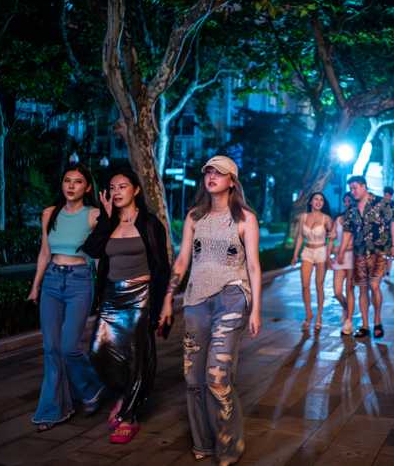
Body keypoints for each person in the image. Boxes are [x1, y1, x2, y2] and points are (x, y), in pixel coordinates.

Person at [168, 155, 262, 465]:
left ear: (232, 181)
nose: (212, 177)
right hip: (195, 301)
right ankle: (203, 442)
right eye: (208, 172)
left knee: (217, 377)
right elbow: (182, 261)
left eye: (219, 173)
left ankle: (229, 445)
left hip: (232, 297)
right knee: (194, 378)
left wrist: (256, 309)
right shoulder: (195, 216)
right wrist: (169, 297)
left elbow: (252, 265)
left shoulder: (245, 218)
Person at [80, 169, 171, 444]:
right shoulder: (109, 222)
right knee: (98, 351)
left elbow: (162, 268)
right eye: (112, 187)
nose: (117, 191)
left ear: (136, 191)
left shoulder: (150, 223)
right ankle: (123, 393)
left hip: (140, 296)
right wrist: (106, 219)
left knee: (134, 356)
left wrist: (162, 305)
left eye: (123, 186)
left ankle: (129, 415)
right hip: (111, 296)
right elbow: (93, 250)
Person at [28, 164, 105, 432]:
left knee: (68, 346)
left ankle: (91, 387)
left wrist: (105, 289)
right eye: (67, 181)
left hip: (80, 281)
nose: (71, 186)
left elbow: (98, 256)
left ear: (87, 187)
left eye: (78, 181)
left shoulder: (94, 215)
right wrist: (35, 286)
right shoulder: (50, 214)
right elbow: (44, 253)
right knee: (51, 349)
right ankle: (52, 410)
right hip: (51, 281)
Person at [336, 176, 394, 339]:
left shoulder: (381, 203)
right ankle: (365, 325)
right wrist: (341, 252)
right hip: (359, 253)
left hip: (379, 251)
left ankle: (377, 320)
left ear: (364, 186)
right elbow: (348, 232)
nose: (353, 191)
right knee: (362, 288)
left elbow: (393, 222)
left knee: (374, 285)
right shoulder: (351, 209)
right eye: (351, 189)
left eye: (355, 187)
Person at [291, 192, 335, 332]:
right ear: (311, 202)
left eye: (321, 200)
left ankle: (319, 317)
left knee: (319, 286)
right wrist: (295, 255)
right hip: (307, 251)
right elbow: (299, 237)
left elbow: (332, 237)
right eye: (316, 199)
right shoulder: (303, 217)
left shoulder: (326, 219)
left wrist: (329, 254)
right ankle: (309, 314)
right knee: (304, 285)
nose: (318, 201)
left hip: (321, 251)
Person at [330, 192, 355, 335]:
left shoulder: (358, 218)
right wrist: (331, 251)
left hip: (352, 258)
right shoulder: (338, 219)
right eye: (345, 201)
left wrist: (343, 249)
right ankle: (346, 307)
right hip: (339, 258)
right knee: (337, 291)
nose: (347, 203)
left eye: (349, 200)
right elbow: (332, 238)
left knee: (349, 289)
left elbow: (358, 241)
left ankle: (349, 321)